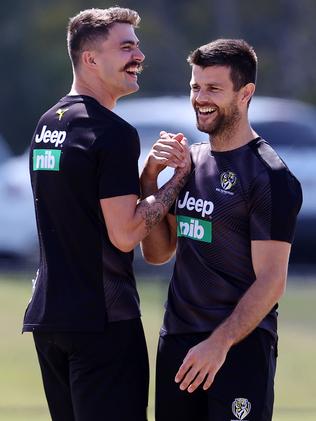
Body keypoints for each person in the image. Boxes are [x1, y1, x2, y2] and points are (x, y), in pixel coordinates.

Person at [22, 7, 190, 421]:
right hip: (102, 322)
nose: (139, 56)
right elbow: (125, 233)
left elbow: (84, 211)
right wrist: (177, 182)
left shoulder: (49, 123)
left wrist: (148, 175)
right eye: (127, 46)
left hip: (50, 321)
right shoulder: (112, 132)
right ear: (91, 58)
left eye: (138, 45)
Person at [140, 38, 302, 421]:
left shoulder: (271, 177)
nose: (200, 97)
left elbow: (271, 281)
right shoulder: (191, 162)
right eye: (195, 87)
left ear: (246, 94)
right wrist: (149, 179)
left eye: (213, 88)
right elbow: (158, 253)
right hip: (179, 343)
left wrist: (219, 343)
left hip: (239, 347)